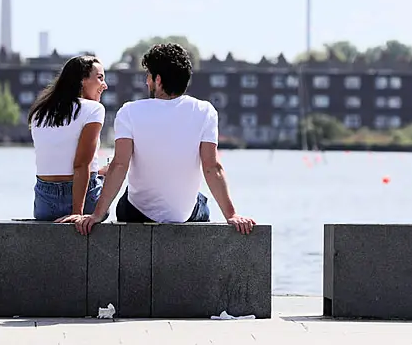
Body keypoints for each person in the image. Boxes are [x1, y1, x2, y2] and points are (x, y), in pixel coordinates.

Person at [59, 43, 255, 235]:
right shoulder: (205, 111)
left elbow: (119, 165)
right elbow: (212, 167)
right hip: (183, 215)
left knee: (126, 200)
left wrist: (96, 215)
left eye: (148, 76)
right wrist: (232, 215)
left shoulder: (129, 112)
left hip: (136, 212)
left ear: (158, 80)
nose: (147, 81)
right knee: (201, 201)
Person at [28, 55, 109, 221]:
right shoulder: (94, 109)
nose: (104, 86)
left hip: (45, 204)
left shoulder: (40, 111)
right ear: (81, 81)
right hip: (83, 201)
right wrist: (77, 213)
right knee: (118, 170)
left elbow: (60, 164)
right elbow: (81, 164)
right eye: (100, 78)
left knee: (106, 172)